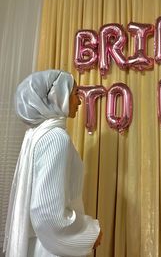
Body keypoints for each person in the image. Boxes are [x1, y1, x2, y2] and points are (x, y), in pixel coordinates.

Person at [3, 70, 102, 257]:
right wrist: (87, 234)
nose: (79, 102)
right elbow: (47, 212)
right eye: (75, 94)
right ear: (57, 95)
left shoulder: (36, 134)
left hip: (39, 245)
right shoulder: (55, 138)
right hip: (50, 249)